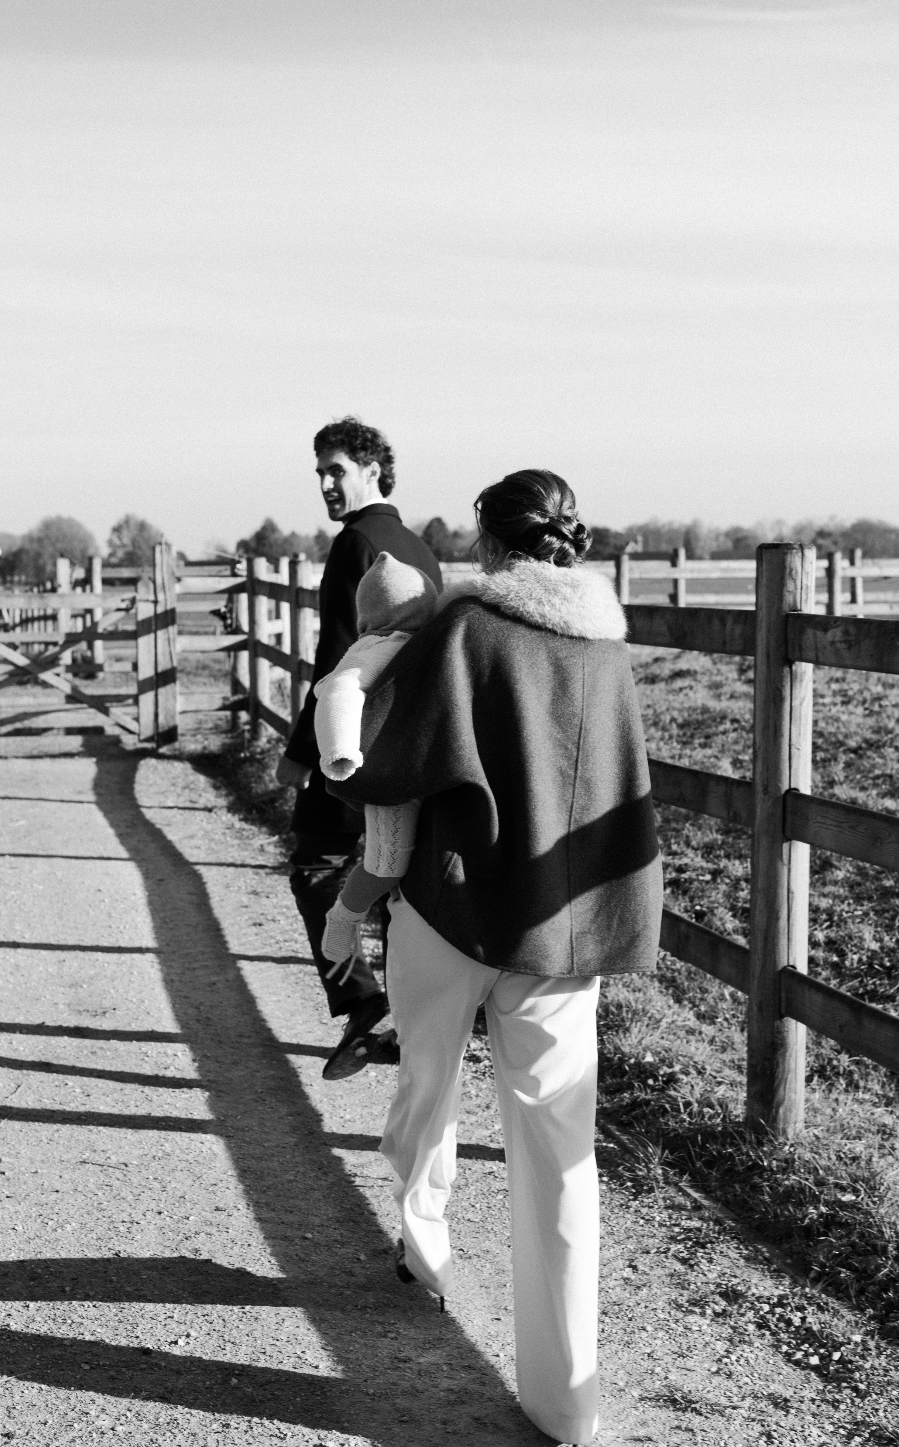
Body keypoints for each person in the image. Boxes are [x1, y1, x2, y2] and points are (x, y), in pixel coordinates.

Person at [330, 469, 663, 1445]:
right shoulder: (605, 648)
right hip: (559, 928)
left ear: (489, 540)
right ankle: (566, 1403)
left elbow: (394, 760)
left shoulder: (465, 629)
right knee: (560, 1151)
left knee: (424, 1089)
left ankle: (425, 1246)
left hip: (450, 903)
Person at [275, 417, 443, 1079]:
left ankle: (363, 1001)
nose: (324, 483)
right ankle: (412, 1011)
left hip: (358, 744)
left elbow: (337, 660)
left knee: (316, 865)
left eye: (336, 469)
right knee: (399, 877)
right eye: (319, 472)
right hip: (420, 747)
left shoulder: (357, 546)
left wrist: (301, 751)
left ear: (373, 470)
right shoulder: (420, 547)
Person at [314, 551, 439, 993]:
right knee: (387, 863)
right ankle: (344, 917)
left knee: (402, 857)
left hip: (403, 771)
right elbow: (338, 692)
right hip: (383, 776)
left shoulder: (408, 644)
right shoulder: (384, 648)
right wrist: (340, 752)